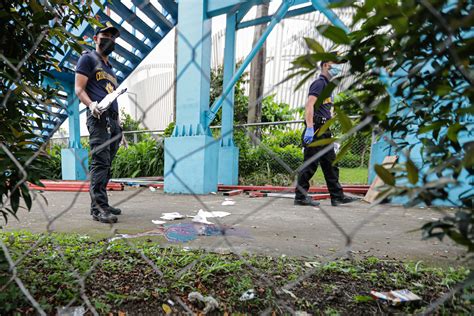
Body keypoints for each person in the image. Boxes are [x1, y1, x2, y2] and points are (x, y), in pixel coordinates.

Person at [74, 21, 124, 223]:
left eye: (113, 37)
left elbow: (113, 97)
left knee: (107, 164)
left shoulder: (111, 70)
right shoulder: (88, 59)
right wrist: (90, 105)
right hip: (98, 118)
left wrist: (119, 123)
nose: (110, 40)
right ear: (95, 38)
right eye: (105, 36)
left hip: (113, 121)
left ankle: (102, 201)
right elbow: (79, 88)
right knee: (100, 162)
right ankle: (98, 208)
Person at [294, 54, 358, 207]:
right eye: (334, 63)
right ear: (325, 66)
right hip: (315, 130)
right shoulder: (319, 83)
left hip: (325, 130)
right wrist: (310, 128)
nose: (337, 67)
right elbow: (309, 106)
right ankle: (300, 197)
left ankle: (337, 196)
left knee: (330, 165)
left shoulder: (329, 87)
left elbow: (325, 108)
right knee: (310, 165)